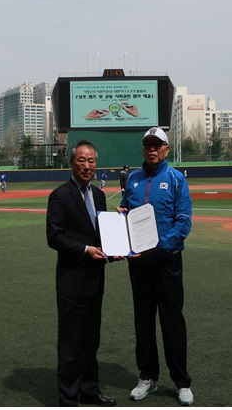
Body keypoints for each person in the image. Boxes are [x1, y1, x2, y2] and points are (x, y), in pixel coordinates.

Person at [118, 127, 194, 406]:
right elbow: (126, 211)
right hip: (139, 264)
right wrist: (121, 218)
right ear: (143, 149)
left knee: (172, 321)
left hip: (167, 261)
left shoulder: (175, 179)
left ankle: (181, 381)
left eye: (157, 145)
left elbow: (183, 221)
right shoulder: (134, 179)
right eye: (147, 145)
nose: (151, 149)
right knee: (143, 321)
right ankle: (147, 376)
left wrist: (160, 246)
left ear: (166, 149)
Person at [46, 140, 118, 407]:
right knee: (70, 347)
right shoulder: (60, 195)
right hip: (71, 284)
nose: (87, 166)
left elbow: (103, 236)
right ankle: (68, 399)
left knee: (91, 343)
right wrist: (85, 249)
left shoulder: (98, 196)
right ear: (72, 162)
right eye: (82, 161)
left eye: (91, 161)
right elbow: (54, 237)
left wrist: (113, 249)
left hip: (95, 282)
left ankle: (89, 391)